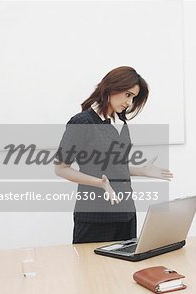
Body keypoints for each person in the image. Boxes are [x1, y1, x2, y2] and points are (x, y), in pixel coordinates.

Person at [55, 66, 173, 244]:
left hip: (126, 214)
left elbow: (113, 166)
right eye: (127, 95)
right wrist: (99, 183)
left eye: (133, 97)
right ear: (111, 88)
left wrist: (142, 171)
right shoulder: (81, 122)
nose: (129, 102)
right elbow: (61, 168)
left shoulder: (121, 123)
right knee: (92, 271)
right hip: (95, 217)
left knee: (125, 269)